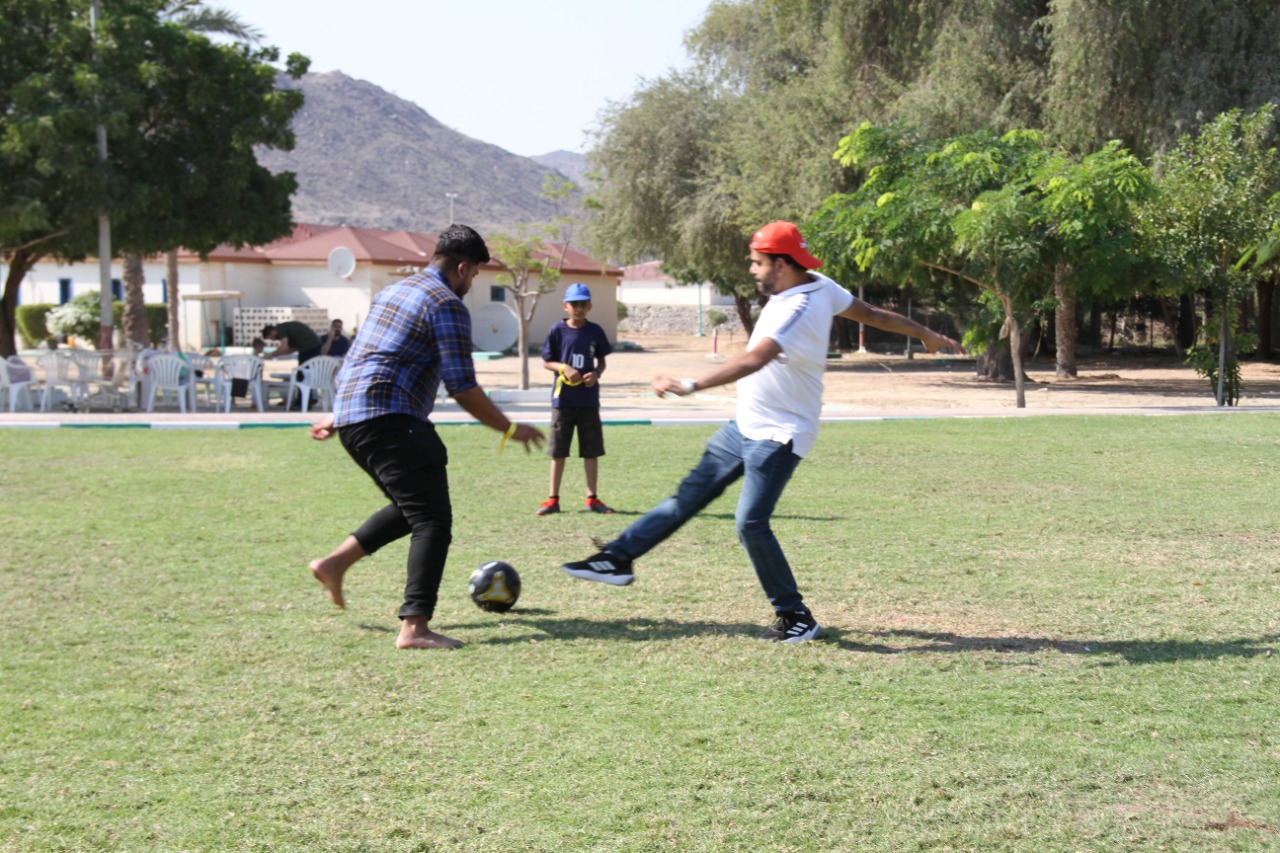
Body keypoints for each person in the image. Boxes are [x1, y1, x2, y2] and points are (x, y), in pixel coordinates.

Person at [561, 221, 966, 643]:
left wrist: (691, 385)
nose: (752, 270)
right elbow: (872, 313)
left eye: (758, 262)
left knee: (750, 522)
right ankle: (617, 558)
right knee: (687, 497)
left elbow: (758, 358)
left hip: (780, 433)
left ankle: (797, 617)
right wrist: (925, 333)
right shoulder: (820, 285)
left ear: (782, 263)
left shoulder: (798, 307)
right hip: (745, 426)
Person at [308, 224, 545, 650]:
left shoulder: (392, 293)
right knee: (433, 520)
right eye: (473, 276)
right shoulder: (445, 303)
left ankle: (335, 563)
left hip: (355, 420)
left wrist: (339, 413)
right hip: (393, 419)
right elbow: (462, 387)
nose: (470, 285)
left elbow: (364, 358)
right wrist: (509, 428)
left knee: (413, 507)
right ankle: (414, 627)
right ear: (462, 267)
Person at [536, 282, 616, 516]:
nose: (578, 308)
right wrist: (563, 368)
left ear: (589, 306)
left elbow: (601, 361)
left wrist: (597, 373)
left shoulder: (595, 332)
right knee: (558, 451)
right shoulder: (557, 330)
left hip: (588, 400)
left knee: (591, 450)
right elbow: (546, 360)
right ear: (565, 306)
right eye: (574, 304)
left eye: (583, 304)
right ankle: (553, 499)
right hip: (563, 402)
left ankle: (592, 498)